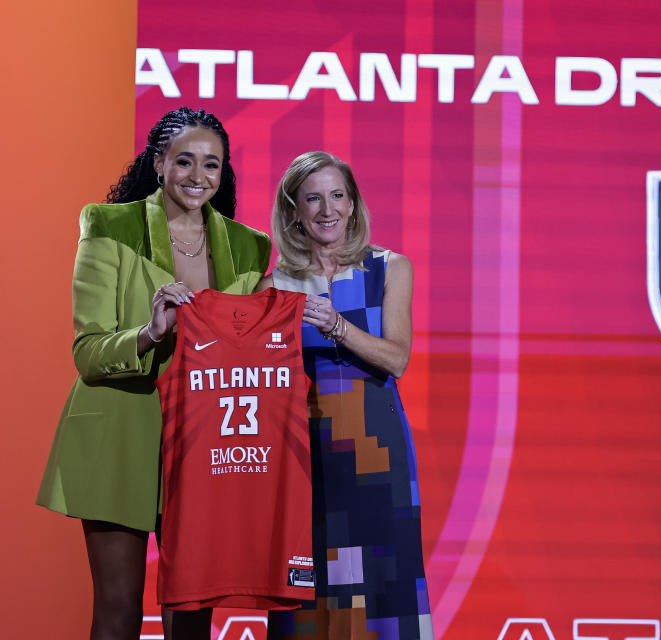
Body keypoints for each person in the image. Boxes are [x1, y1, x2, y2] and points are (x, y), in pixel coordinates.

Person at [36, 107, 271, 640]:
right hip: (118, 433)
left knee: (190, 619)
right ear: (159, 162)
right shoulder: (108, 224)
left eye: (212, 165)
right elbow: (89, 352)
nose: (197, 176)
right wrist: (149, 332)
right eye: (184, 161)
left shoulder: (250, 246)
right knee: (117, 612)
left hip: (206, 446)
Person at [258, 152, 433, 639]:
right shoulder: (275, 286)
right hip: (305, 458)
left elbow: (396, 358)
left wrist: (335, 324)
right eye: (312, 198)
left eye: (337, 196)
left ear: (353, 205)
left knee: (383, 586)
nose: (327, 209)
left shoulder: (390, 268)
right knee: (312, 593)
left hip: (377, 455)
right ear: (294, 210)